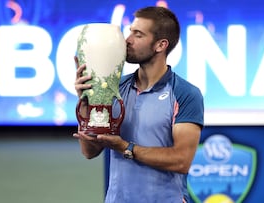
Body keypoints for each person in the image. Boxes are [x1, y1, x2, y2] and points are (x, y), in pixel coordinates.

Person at [73, 6, 204, 203]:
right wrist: (86, 101)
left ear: (160, 45)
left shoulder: (185, 94)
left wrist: (126, 147)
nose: (127, 40)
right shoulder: (114, 88)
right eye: (129, 32)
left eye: (138, 34)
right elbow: (89, 152)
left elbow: (181, 160)